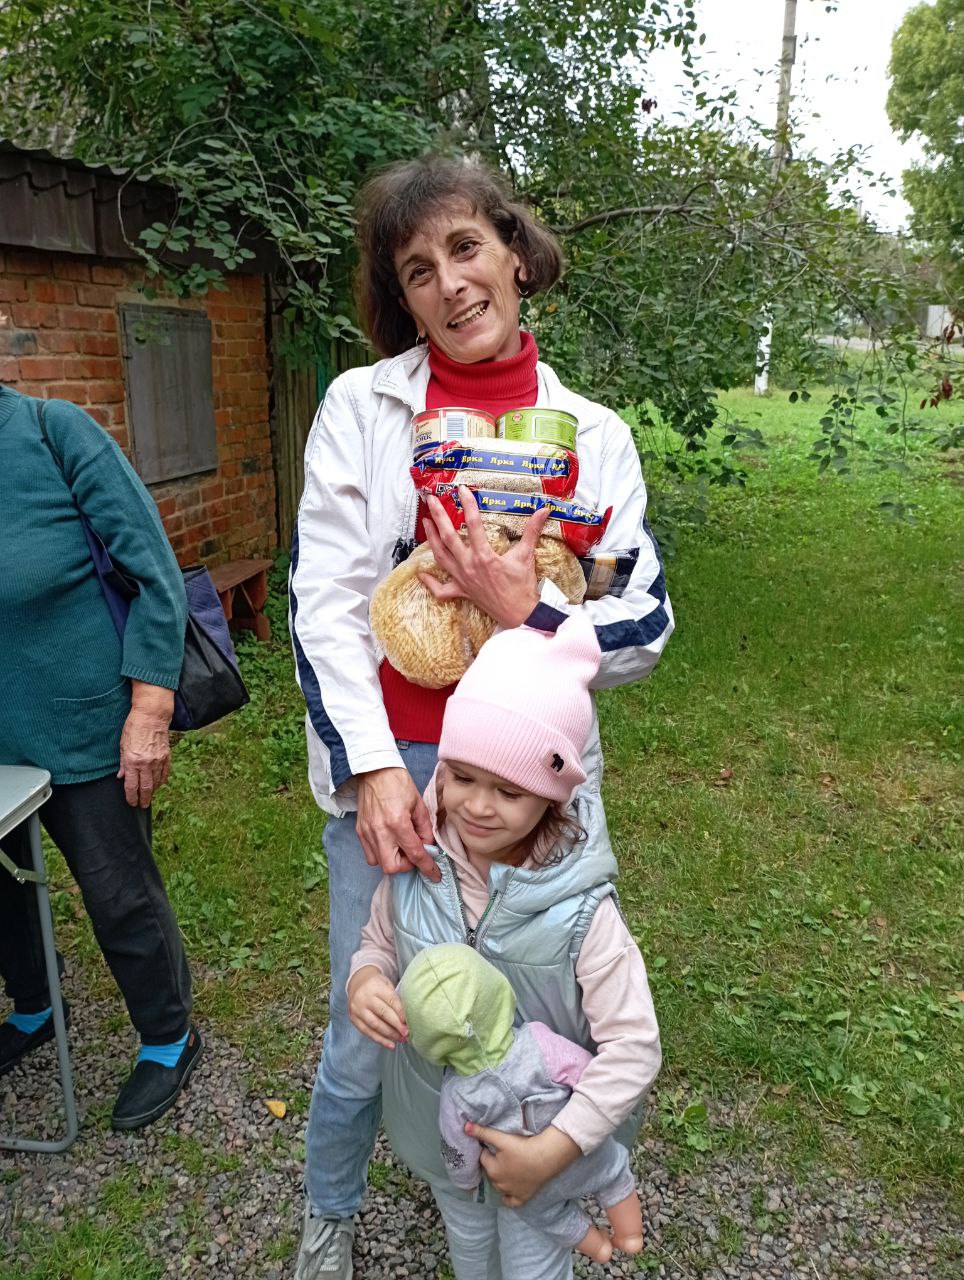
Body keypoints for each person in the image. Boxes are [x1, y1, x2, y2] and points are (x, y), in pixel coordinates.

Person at [290, 152, 673, 1279]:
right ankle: (331, 1209)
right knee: (372, 1013)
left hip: (539, 767)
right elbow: (324, 603)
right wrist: (372, 770)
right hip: (403, 758)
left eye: (466, 247)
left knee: (550, 1003)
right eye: (418, 269)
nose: (450, 282)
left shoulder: (589, 435)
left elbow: (645, 619)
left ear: (515, 254)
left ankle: (542, 1178)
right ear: (402, 298)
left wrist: (532, 615)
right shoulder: (365, 409)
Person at [347, 617, 660, 1280]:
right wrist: (366, 980)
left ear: (553, 797)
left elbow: (634, 1046)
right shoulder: (418, 861)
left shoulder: (583, 913)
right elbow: (379, 940)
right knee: (469, 1247)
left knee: (535, 1264)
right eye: (460, 776)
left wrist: (553, 1150)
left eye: (510, 791)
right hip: (447, 1141)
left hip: (544, 1158)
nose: (478, 807)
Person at [0, 384, 201, 1131]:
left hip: (81, 728)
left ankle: (169, 1034)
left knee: (118, 891)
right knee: (2, 894)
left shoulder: (52, 431)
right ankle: (34, 1003)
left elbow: (154, 573)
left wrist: (149, 710)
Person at [399, 943, 645, 1268]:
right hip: (581, 1151)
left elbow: (457, 1149)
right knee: (613, 1173)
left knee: (549, 1217)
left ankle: (597, 1246)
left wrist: (467, 1179)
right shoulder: (538, 1041)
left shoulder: (456, 1096)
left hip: (528, 1189)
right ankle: (630, 1234)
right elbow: (583, 1070)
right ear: (501, 992)